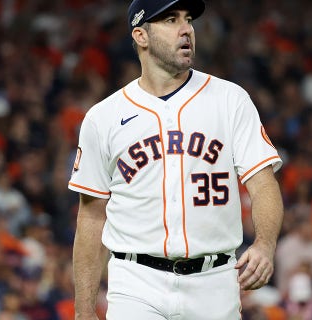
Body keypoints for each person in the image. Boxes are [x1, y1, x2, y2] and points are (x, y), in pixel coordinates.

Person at [68, 0, 284, 319]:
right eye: (170, 20)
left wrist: (265, 245)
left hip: (214, 282)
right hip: (136, 283)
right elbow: (91, 217)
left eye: (188, 20)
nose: (186, 29)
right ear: (141, 36)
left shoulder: (230, 100)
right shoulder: (103, 117)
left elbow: (263, 184)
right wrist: (83, 312)